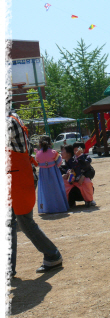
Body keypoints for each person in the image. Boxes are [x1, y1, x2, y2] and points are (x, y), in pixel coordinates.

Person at [7, 108, 63, 275]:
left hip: (20, 179)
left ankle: (53, 255)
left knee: (24, 221)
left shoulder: (9, 120)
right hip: (14, 178)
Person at [35, 135, 69, 214]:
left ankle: (47, 208)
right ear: (50, 143)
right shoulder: (54, 152)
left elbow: (37, 163)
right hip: (54, 173)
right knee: (56, 189)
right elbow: (59, 162)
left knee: (45, 191)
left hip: (43, 174)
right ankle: (60, 207)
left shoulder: (38, 154)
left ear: (40, 144)